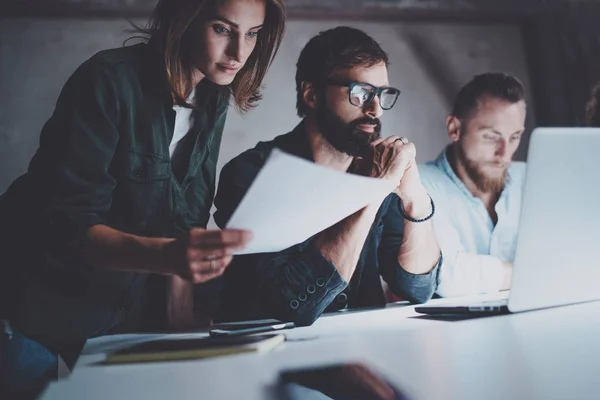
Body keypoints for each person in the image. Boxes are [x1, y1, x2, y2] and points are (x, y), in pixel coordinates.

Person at [0, 0, 285, 394]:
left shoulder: (214, 94)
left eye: (252, 34)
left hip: (118, 312)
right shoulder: (107, 79)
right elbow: (69, 223)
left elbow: (189, 216)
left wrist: (179, 320)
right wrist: (167, 257)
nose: (239, 53)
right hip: (36, 302)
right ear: (183, 19)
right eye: (222, 29)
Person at [213, 26, 441, 326]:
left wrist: (416, 202)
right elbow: (295, 304)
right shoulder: (250, 174)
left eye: (383, 94)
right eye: (361, 93)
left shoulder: (378, 166)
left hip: (362, 348)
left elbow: (418, 287)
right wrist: (375, 191)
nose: (376, 109)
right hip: (271, 356)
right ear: (312, 94)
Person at [418, 73, 527, 298]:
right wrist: (537, 271)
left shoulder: (532, 179)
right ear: (454, 129)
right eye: (491, 137)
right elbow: (447, 278)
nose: (504, 155)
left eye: (514, 137)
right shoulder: (419, 185)